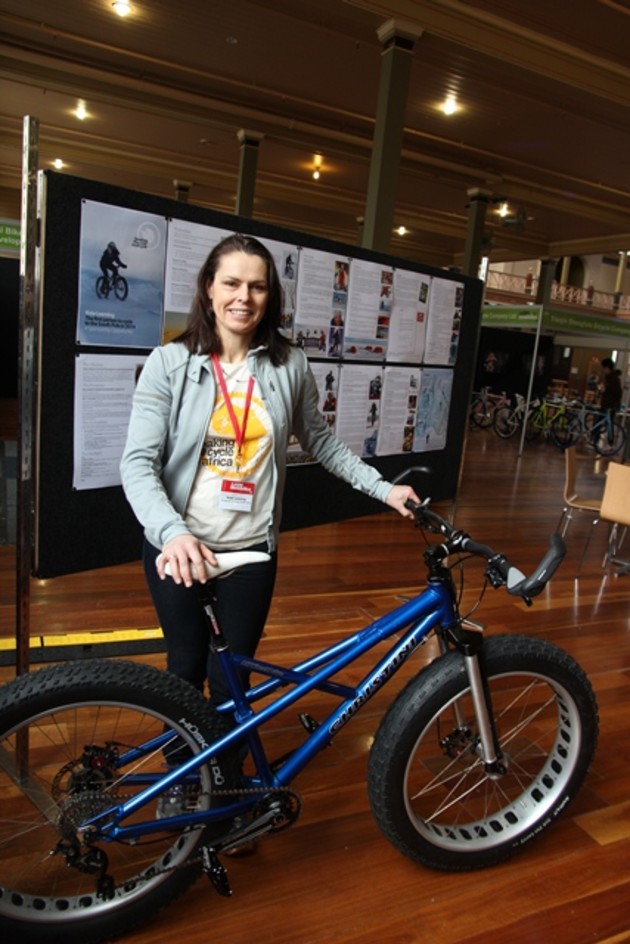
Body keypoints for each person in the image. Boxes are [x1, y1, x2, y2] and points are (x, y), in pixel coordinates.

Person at [120, 232, 419, 728]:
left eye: (257, 287)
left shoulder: (289, 364)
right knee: (184, 669)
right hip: (180, 550)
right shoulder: (169, 364)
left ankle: (227, 782)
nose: (244, 297)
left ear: (270, 295)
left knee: (231, 679)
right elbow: (137, 464)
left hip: (251, 550)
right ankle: (181, 774)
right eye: (232, 283)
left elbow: (321, 442)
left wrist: (384, 489)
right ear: (210, 289)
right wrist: (172, 534)